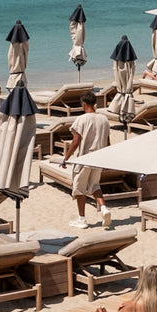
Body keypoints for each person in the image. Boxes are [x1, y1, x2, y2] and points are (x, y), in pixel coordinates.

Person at [61, 91, 112, 230]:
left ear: (83, 104)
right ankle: (103, 208)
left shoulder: (81, 119)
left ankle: (82, 219)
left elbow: (76, 141)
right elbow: (107, 142)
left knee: (79, 189)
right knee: (95, 185)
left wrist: (66, 158)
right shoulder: (104, 119)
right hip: (99, 159)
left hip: (84, 159)